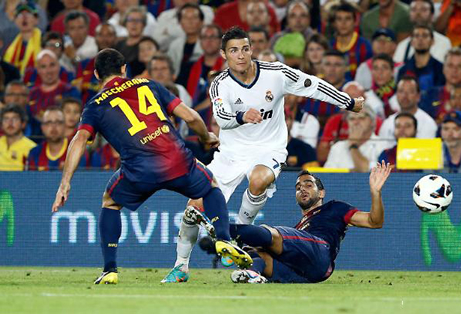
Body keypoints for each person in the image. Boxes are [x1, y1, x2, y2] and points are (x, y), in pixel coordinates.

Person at [164, 27, 364, 283]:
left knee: (259, 179)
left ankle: (238, 239)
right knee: (194, 206)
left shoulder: (276, 74)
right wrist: (241, 116)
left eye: (245, 49)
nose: (241, 55)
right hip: (231, 153)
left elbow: (312, 85)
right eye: (234, 50)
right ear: (224, 55)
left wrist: (347, 101)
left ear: (251, 50)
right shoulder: (220, 84)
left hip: (269, 148)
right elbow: (222, 118)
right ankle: (181, 265)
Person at [51, 48, 252, 285]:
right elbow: (189, 116)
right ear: (124, 68)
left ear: (96, 74)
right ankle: (224, 238)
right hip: (176, 159)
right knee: (210, 186)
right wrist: (206, 137)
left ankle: (110, 270)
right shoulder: (147, 85)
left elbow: (79, 140)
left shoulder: (95, 105)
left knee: (110, 202)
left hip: (139, 171)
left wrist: (65, 183)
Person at [197, 164, 391, 283]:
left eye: (308, 184)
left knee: (270, 235)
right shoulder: (299, 228)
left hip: (320, 251)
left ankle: (222, 231)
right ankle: (252, 273)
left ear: (321, 192)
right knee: (258, 253)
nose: (302, 189)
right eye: (298, 187)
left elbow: (375, 222)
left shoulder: (335, 208)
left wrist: (376, 192)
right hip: (308, 274)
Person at [0, 104, 36, 171]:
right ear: (1, 125)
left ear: (23, 124)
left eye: (15, 119)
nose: (10, 123)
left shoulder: (32, 148)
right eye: (6, 119)